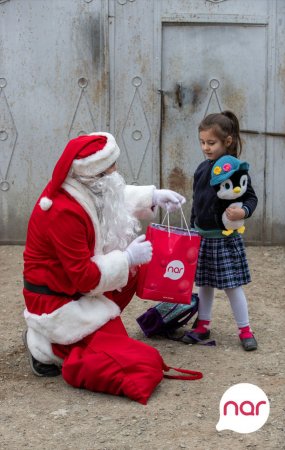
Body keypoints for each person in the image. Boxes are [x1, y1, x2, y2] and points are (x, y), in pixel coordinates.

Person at [22, 132, 186, 395]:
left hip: (77, 291)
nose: (116, 171)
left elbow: (113, 197)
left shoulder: (84, 186)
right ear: (91, 175)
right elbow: (84, 277)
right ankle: (45, 346)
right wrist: (126, 258)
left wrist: (153, 196)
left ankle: (87, 332)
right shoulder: (62, 212)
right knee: (127, 360)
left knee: (134, 273)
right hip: (57, 302)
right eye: (109, 168)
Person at [183, 111, 258, 351]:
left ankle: (245, 329)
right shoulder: (201, 169)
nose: (206, 147)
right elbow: (197, 200)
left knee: (231, 285)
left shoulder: (235, 170)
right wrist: (193, 229)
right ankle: (202, 324)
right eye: (202, 142)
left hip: (224, 240)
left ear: (227, 141)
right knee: (204, 284)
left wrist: (244, 211)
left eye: (211, 143)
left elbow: (250, 196)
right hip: (203, 237)